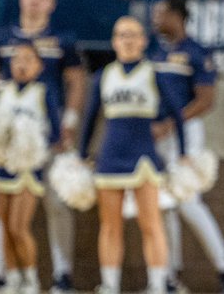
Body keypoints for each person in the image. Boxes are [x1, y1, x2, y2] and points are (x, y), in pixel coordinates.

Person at [0, 0, 86, 294]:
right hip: (10, 139)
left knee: (55, 202)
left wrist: (69, 120)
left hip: (48, 133)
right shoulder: (2, 35)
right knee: (4, 211)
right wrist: (5, 93)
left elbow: (77, 81)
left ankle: (61, 274)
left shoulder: (62, 39)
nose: (35, 0)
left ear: (52, 4)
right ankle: (6, 274)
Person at [79, 17, 184, 294]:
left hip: (144, 157)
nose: (127, 40)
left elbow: (178, 114)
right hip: (110, 156)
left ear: (143, 40)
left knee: (151, 223)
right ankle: (110, 285)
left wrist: (184, 154)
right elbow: (90, 119)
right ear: (114, 41)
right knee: (110, 226)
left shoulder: (154, 73)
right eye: (121, 35)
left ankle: (158, 285)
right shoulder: (103, 76)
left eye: (133, 35)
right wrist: (80, 155)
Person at [150, 0, 224, 294]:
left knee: (188, 201)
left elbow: (206, 100)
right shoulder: (153, 52)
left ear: (176, 16)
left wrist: (170, 124)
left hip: (185, 133)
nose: (155, 19)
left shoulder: (196, 52)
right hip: (155, 135)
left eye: (160, 13)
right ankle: (168, 278)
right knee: (163, 205)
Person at [0, 40, 60, 294]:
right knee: (4, 225)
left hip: (28, 168)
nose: (22, 64)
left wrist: (32, 145)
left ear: (39, 66)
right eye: (17, 59)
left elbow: (55, 132)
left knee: (18, 226)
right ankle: (12, 278)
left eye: (29, 59)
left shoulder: (43, 92)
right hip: (2, 165)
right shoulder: (1, 91)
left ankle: (31, 280)